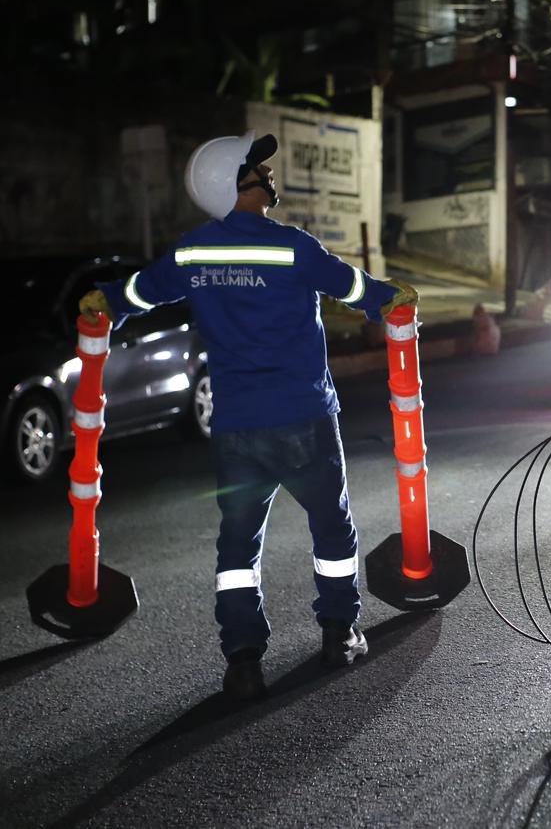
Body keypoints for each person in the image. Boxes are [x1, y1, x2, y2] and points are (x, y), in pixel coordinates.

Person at [79, 131, 418, 700]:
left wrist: (104, 301)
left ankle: (242, 662)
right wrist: (392, 296)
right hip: (305, 416)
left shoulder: (192, 252)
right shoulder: (292, 247)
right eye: (259, 167)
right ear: (238, 183)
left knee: (237, 547)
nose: (268, 174)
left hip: (236, 426)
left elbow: (139, 293)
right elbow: (354, 287)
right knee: (331, 528)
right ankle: (339, 633)